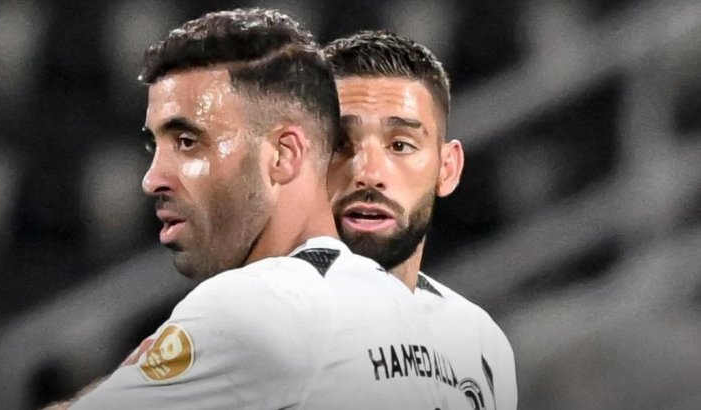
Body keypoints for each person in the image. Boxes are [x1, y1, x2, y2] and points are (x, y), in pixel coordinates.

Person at [66, 9, 480, 410]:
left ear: (284, 155)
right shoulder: (418, 322)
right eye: (154, 146)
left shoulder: (259, 303)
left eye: (189, 142)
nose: (152, 178)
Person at [323, 30, 518, 409]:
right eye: (341, 144)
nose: (368, 173)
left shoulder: (480, 344)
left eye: (400, 145)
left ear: (448, 169)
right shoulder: (250, 322)